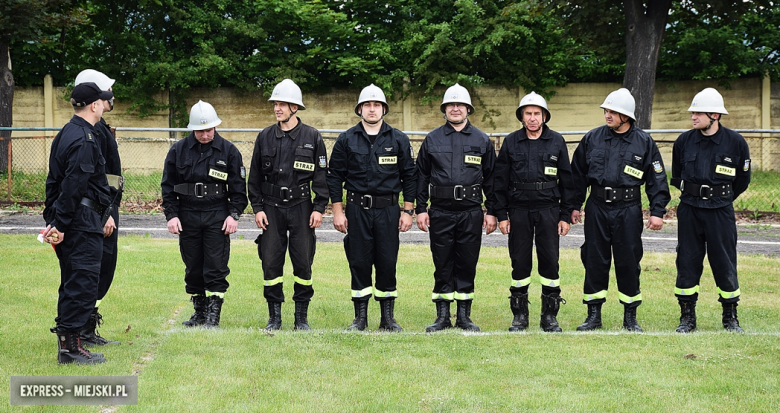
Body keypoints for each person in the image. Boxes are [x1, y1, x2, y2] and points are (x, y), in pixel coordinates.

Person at [570, 88, 670, 332]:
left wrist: (657, 211)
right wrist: (574, 205)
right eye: (606, 110)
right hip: (597, 208)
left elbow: (657, 179)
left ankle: (630, 317)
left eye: (613, 111)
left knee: (628, 261)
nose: (607, 115)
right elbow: (577, 176)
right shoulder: (592, 138)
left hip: (628, 209)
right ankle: (593, 315)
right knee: (594, 260)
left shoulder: (644, 142)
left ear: (626, 116)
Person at [327, 84, 417, 332]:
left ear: (384, 109)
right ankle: (360, 319)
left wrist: (407, 211)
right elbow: (334, 176)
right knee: (359, 261)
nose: (372, 109)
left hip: (389, 211)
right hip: (357, 210)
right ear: (360, 109)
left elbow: (410, 176)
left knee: (387, 262)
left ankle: (387, 319)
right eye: (367, 105)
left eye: (377, 105)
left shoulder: (398, 139)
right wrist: (337, 211)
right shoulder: (346, 139)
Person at [247, 79, 329, 331]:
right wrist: (258, 208)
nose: (277, 108)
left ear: (295, 107)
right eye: (275, 104)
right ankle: (274, 317)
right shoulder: (264, 137)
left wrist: (319, 207)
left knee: (303, 261)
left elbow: (322, 177)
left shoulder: (312, 137)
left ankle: (301, 318)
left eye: (282, 104)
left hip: (302, 207)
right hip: (271, 207)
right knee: (271, 262)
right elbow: (254, 177)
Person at [415, 83, 497, 332]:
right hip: (440, 212)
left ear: (468, 109)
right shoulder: (432, 139)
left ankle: (463, 316)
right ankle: (442, 317)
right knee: (442, 263)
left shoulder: (482, 140)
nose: (455, 108)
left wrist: (492, 211)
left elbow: (493, 179)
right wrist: (420, 208)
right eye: (451, 105)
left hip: (471, 212)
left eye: (460, 104)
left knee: (466, 263)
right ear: (444, 109)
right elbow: (421, 176)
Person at [43, 82, 114, 364]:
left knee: (73, 281)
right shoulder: (83, 138)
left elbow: (53, 182)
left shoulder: (66, 132)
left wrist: (54, 219)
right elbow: (73, 184)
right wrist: (59, 223)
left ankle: (69, 345)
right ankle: (71, 349)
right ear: (94, 105)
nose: (104, 106)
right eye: (102, 102)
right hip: (81, 221)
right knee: (81, 282)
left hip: (74, 218)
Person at [161, 101, 248, 328]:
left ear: (215, 127)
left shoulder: (229, 151)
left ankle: (213, 316)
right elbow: (168, 187)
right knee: (193, 266)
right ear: (192, 129)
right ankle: (199, 313)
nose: (205, 134)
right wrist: (171, 216)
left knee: (216, 266)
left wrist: (234, 215)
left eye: (209, 130)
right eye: (200, 130)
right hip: (187, 214)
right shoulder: (177, 151)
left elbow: (239, 190)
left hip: (217, 215)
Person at [671, 88, 751, 333]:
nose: (693, 117)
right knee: (687, 261)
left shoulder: (736, 142)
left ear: (714, 115)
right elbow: (676, 175)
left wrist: (720, 197)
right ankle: (687, 317)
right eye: (693, 112)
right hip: (690, 210)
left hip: (720, 211)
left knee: (724, 261)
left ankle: (730, 317)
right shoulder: (684, 141)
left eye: (698, 113)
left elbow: (742, 180)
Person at [493, 92, 574, 332]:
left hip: (549, 209)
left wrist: (565, 214)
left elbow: (567, 181)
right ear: (521, 116)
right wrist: (501, 215)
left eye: (537, 113)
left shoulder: (557, 141)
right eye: (527, 113)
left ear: (545, 116)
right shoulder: (511, 142)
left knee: (550, 261)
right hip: (518, 210)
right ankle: (520, 315)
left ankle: (549, 316)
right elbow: (500, 181)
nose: (532, 118)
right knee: (520, 262)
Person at [73, 69, 122, 347]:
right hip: (101, 213)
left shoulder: (100, 128)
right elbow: (93, 180)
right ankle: (84, 329)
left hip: (107, 209)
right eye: (108, 93)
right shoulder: (91, 132)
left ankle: (87, 325)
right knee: (96, 268)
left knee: (105, 267)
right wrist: (106, 215)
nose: (112, 98)